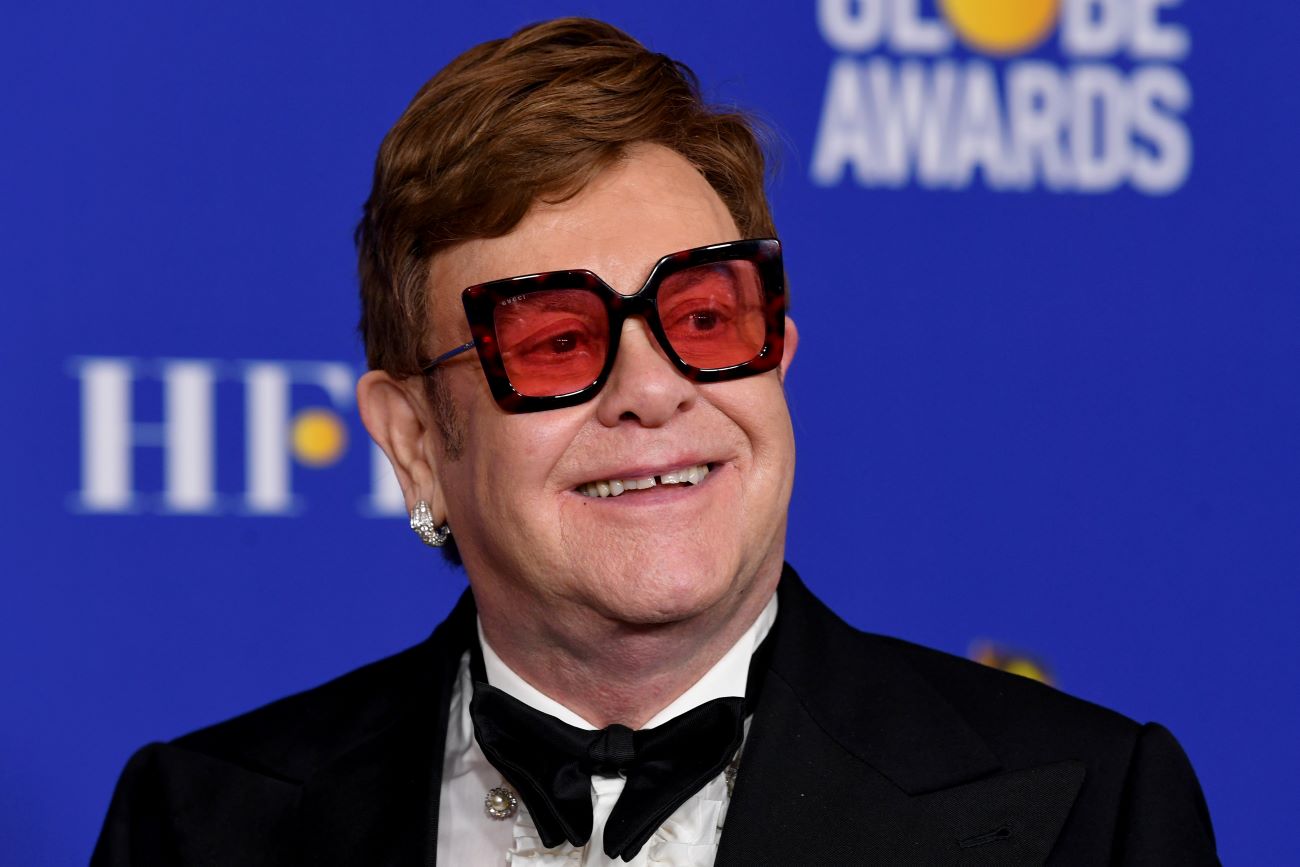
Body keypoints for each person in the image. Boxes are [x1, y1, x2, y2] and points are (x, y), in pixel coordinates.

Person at [93, 17, 1218, 866]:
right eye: (551, 339)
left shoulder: (1088, 811)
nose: (651, 389)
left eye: (701, 317)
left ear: (775, 353)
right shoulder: (199, 827)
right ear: (415, 442)